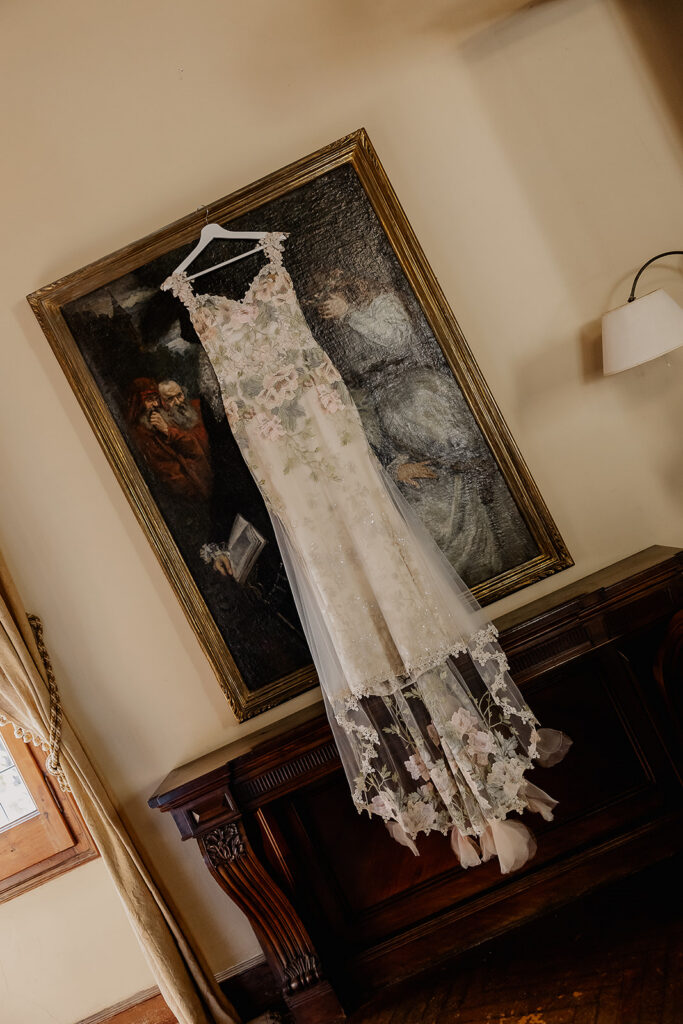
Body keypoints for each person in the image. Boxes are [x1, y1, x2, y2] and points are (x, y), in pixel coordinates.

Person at [308, 268, 537, 586]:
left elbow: (397, 341)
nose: (327, 298)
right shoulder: (334, 329)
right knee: (430, 502)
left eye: (331, 289)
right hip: (379, 406)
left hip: (417, 394)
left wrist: (349, 315)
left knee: (461, 470)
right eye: (321, 295)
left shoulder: (380, 302)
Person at [126, 377, 212, 502]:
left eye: (179, 395)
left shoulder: (194, 408)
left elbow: (195, 446)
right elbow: (169, 471)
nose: (177, 402)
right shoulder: (142, 432)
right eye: (170, 399)